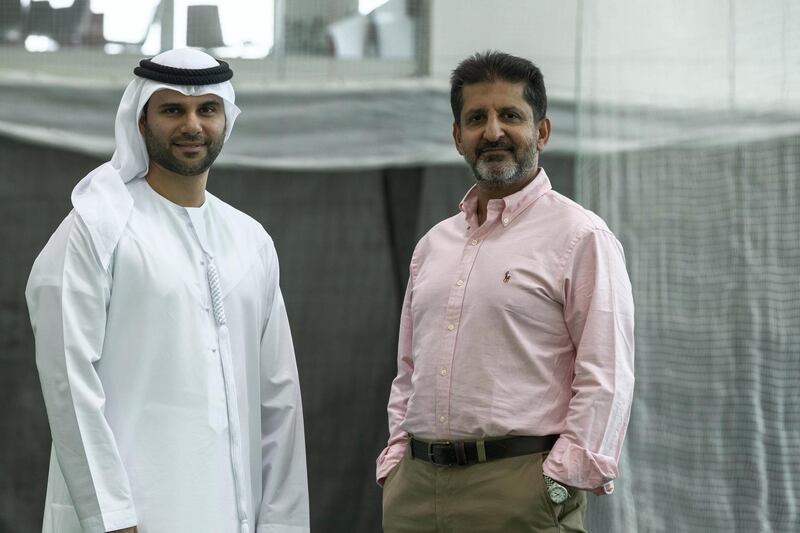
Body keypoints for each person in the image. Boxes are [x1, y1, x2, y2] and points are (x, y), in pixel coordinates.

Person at [26, 48, 309, 533]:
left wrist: (283, 522)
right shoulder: (98, 225)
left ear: (226, 119)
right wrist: (111, 516)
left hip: (233, 515)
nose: (192, 125)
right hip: (131, 516)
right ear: (141, 121)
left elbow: (279, 398)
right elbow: (67, 378)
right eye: (172, 109)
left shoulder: (251, 241)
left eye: (207, 110)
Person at [376, 51, 635, 532]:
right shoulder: (434, 244)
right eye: (476, 118)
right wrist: (396, 463)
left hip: (520, 492)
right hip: (415, 492)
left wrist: (558, 483)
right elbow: (409, 370)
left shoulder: (582, 238)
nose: (492, 132)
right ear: (458, 137)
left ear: (541, 131)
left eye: (510, 115)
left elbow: (607, 375)